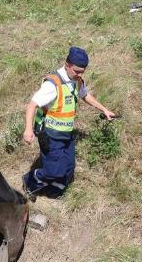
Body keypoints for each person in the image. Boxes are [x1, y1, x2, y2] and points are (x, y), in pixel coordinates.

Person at [21, 46, 116, 198]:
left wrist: (104, 109)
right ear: (67, 65)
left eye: (82, 72)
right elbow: (32, 104)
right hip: (51, 135)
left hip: (67, 134)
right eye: (76, 71)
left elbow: (85, 95)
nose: (79, 75)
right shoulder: (53, 84)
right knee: (54, 170)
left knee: (69, 168)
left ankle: (55, 191)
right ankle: (30, 180)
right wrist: (28, 130)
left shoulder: (76, 80)